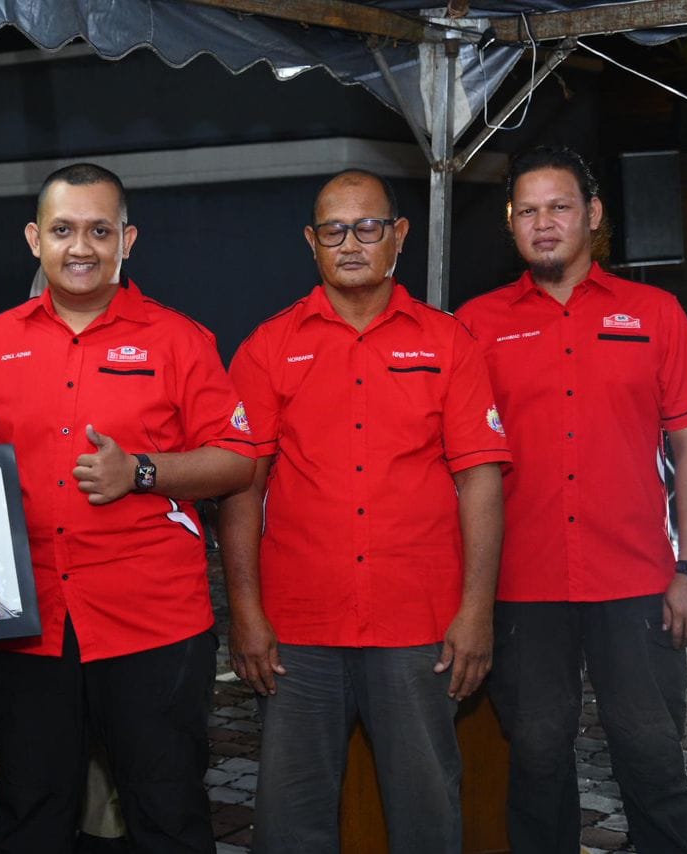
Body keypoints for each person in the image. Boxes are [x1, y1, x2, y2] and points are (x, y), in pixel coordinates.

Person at [0, 162, 255, 853]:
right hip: (27, 626)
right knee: (32, 814)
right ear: (34, 239)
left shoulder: (179, 340)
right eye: (63, 230)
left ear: (127, 241)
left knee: (167, 816)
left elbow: (236, 459)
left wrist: (140, 471)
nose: (81, 247)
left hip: (152, 625)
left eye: (100, 231)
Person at [220, 168, 511, 853]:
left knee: (425, 814)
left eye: (368, 227)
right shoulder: (268, 346)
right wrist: (246, 613)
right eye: (334, 230)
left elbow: (481, 482)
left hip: (417, 625)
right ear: (312, 242)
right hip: (298, 630)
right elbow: (242, 489)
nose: (351, 244)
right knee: (290, 822)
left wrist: (477, 612)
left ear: (399, 236)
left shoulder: (448, 343)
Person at [455, 145, 687, 854]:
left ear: (593, 214)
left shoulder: (656, 313)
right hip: (522, 585)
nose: (543, 224)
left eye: (560, 207)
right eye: (527, 211)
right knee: (536, 759)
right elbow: (456, 465)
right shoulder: (475, 325)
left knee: (652, 756)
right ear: (511, 223)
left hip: (637, 581)